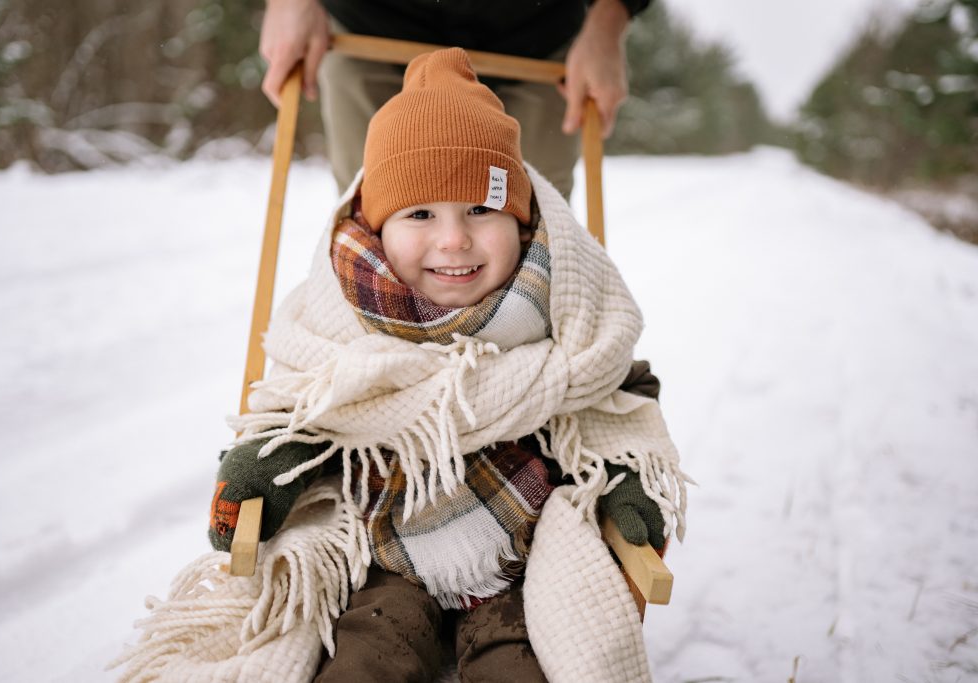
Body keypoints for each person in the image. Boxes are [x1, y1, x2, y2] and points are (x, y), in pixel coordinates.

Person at [211, 48, 687, 681]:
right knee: (365, 660)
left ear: (521, 222)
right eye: (420, 214)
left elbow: (621, 398)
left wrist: (630, 483)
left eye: (481, 210)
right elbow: (305, 409)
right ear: (378, 229)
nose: (454, 239)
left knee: (524, 663)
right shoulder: (340, 322)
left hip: (520, 559)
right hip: (381, 558)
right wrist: (265, 467)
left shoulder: (568, 319)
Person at [258, 0, 652, 198]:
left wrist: (609, 19)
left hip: (536, 39)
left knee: (537, 219)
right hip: (370, 25)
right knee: (374, 208)